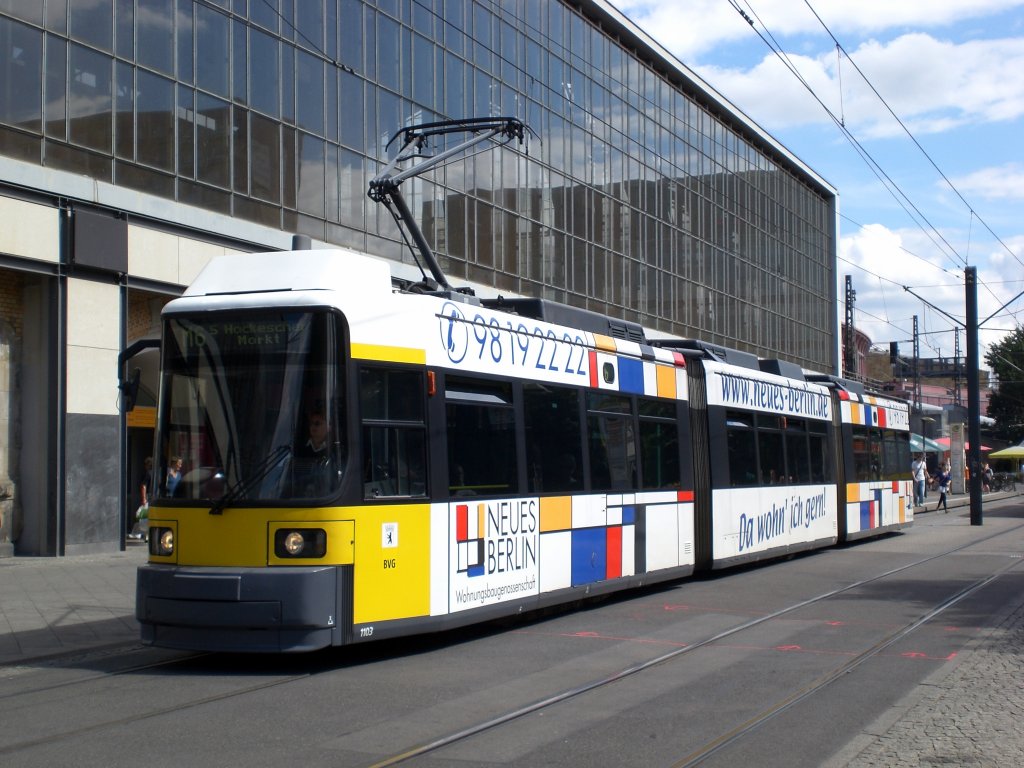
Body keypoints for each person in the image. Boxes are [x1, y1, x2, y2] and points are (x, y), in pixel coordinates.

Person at [293, 408, 341, 497]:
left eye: (317, 423)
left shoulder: (335, 452)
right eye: (311, 423)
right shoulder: (300, 450)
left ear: (328, 427)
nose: (313, 427)